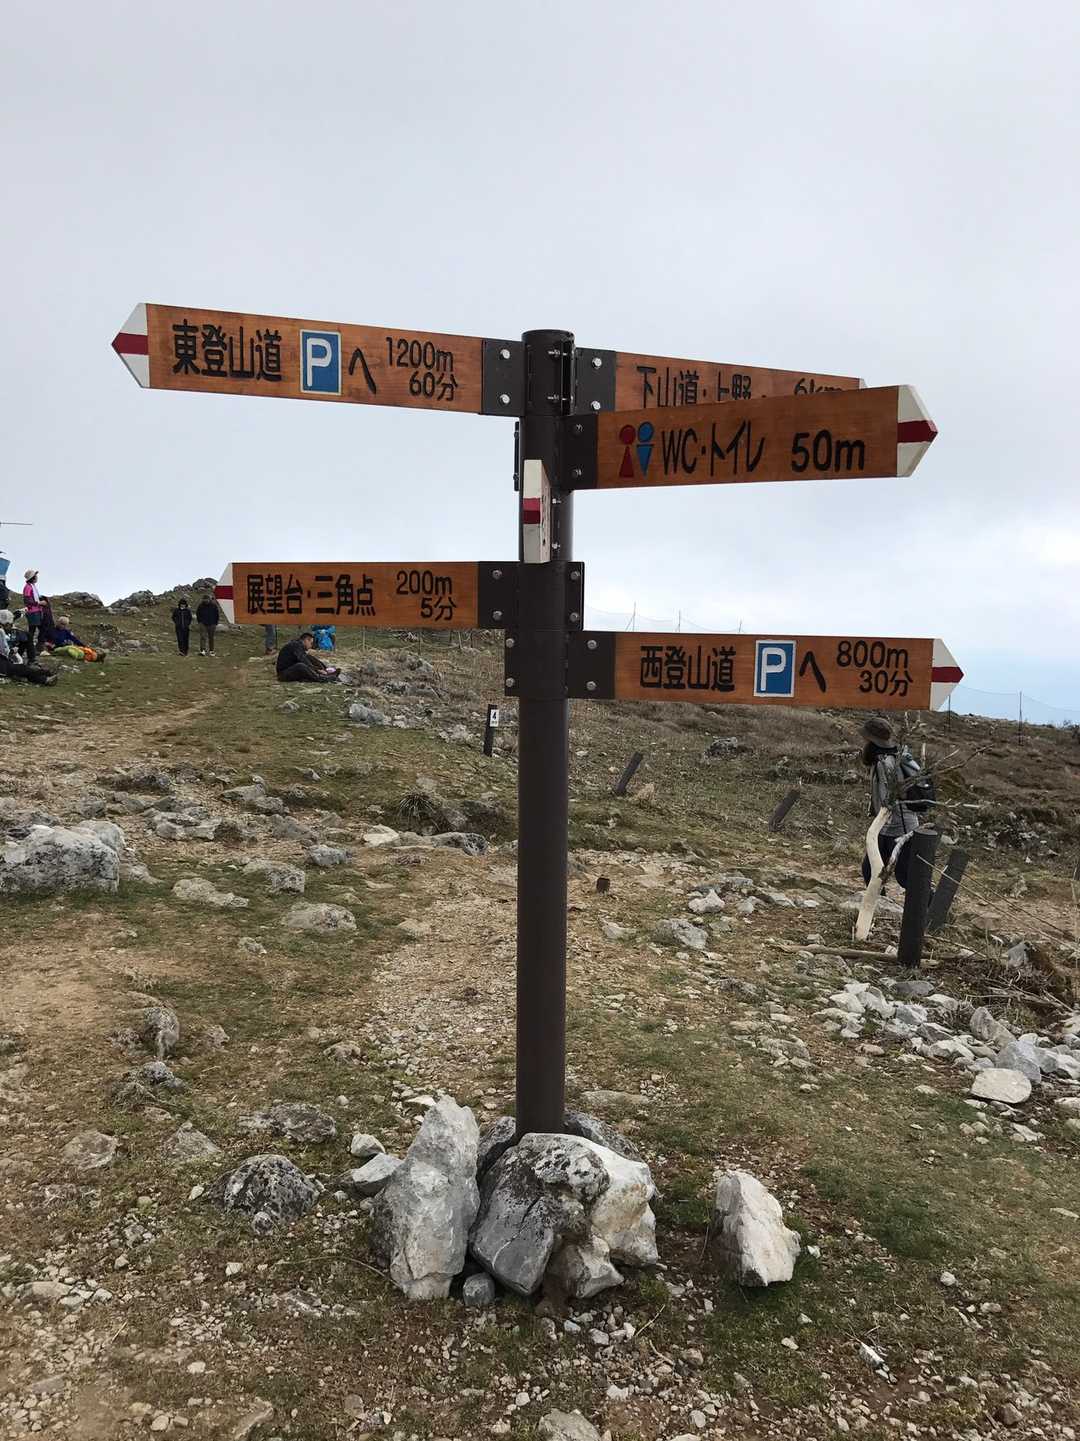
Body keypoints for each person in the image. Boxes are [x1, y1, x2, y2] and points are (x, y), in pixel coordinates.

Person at [859, 717, 929, 891]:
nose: (864, 743)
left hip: (900, 827)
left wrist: (882, 816)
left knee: (906, 876)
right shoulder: (887, 759)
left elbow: (889, 798)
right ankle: (878, 903)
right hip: (887, 826)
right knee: (870, 871)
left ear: (872, 742)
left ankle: (929, 904)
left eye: (866, 739)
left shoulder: (886, 763)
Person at [0, 609, 57, 685]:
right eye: (8, 625)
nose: (10, 626)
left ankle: (44, 676)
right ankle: (45, 676)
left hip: (6, 661)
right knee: (22, 669)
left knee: (22, 669)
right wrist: (12, 652)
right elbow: (4, 651)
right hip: (3, 664)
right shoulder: (1, 632)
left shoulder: (2, 631)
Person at [276, 631, 340, 683]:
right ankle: (322, 678)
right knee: (300, 666)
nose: (311, 646)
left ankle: (326, 670)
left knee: (308, 657)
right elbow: (303, 660)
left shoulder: (298, 646)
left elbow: (306, 659)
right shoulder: (296, 645)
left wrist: (321, 669)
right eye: (311, 643)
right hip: (283, 674)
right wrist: (317, 670)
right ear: (306, 640)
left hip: (290, 670)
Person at [21, 569, 44, 659]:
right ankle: (31, 648)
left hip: (36, 611)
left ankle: (31, 648)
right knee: (33, 630)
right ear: (33, 578)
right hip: (32, 612)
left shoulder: (32, 586)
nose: (37, 577)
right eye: (36, 576)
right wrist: (39, 603)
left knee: (34, 630)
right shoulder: (28, 587)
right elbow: (27, 600)